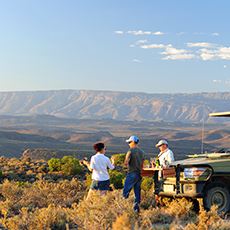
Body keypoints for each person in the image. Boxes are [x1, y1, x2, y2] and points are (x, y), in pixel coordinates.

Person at [123, 135, 145, 212]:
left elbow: (126, 163)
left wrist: (125, 160)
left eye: (129, 142)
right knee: (137, 193)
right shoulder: (142, 152)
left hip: (131, 174)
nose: (129, 144)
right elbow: (142, 165)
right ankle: (136, 210)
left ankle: (123, 209)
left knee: (125, 192)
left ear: (133, 142)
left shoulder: (130, 151)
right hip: (139, 174)